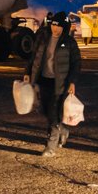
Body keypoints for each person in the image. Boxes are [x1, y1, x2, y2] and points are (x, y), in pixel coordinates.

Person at [23, 11, 81, 157]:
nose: (55, 29)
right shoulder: (43, 39)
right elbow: (34, 56)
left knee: (54, 113)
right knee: (44, 110)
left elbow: (76, 63)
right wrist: (27, 73)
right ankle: (63, 129)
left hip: (60, 83)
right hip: (44, 80)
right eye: (53, 25)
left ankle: (50, 146)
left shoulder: (69, 42)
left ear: (64, 27)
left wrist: (72, 82)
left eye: (59, 26)